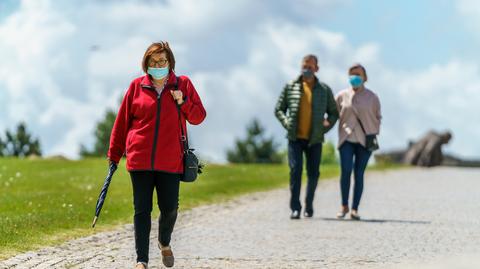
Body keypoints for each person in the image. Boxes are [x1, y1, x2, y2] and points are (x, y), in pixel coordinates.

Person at [107, 42, 206, 268]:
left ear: (170, 62)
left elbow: (199, 117)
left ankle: (164, 242)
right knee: (142, 210)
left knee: (170, 208)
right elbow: (121, 124)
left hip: (170, 161)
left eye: (162, 61)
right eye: (153, 62)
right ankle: (141, 260)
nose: (158, 65)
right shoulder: (136, 87)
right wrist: (114, 155)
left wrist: (184, 101)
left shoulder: (183, 85)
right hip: (139, 159)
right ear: (146, 65)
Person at [275, 54, 339, 219]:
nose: (307, 69)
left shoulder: (324, 90)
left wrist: (326, 125)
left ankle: (309, 204)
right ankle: (295, 207)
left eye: (310, 66)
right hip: (295, 138)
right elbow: (279, 109)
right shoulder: (291, 87)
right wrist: (287, 122)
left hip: (315, 139)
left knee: (313, 173)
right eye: (305, 66)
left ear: (316, 69)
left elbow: (334, 113)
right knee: (295, 171)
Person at [335, 63, 381, 220]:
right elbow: (333, 114)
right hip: (346, 138)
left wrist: (373, 132)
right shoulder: (341, 95)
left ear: (365, 78)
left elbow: (378, 117)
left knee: (359, 173)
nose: (355, 77)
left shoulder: (372, 97)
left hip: (364, 140)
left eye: (358, 74)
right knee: (346, 171)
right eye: (352, 74)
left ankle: (354, 208)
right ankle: (343, 206)